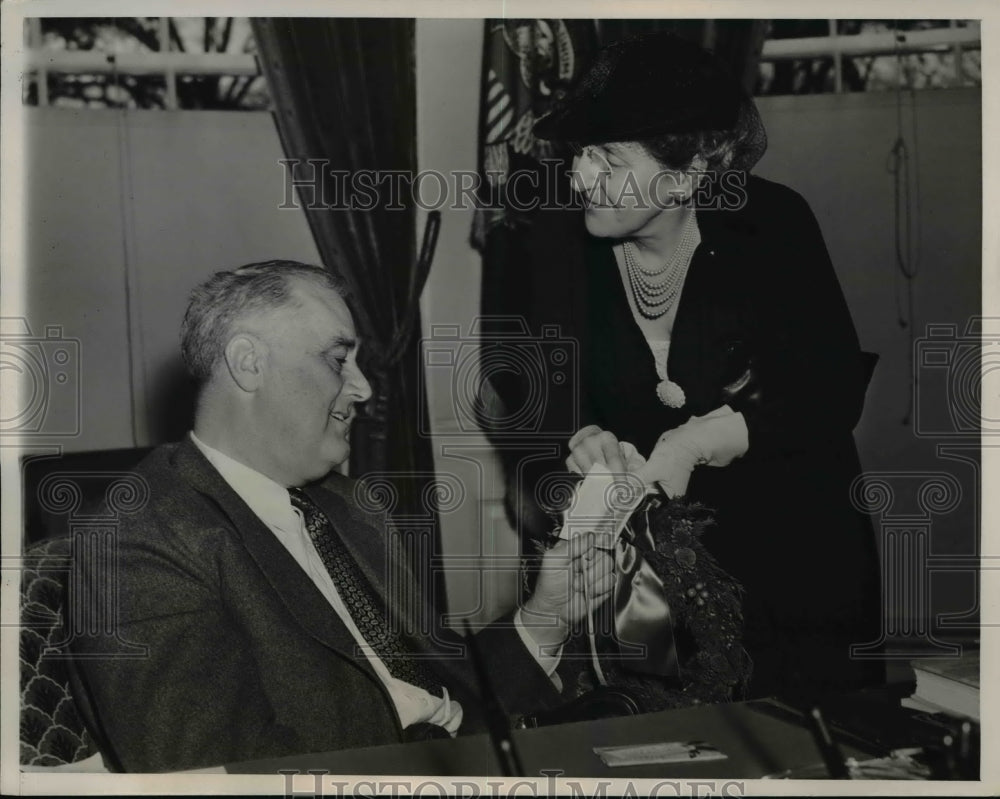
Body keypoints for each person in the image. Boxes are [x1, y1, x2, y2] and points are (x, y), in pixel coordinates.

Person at [68, 260, 614, 772]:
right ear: (248, 362)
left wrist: (547, 617)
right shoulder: (138, 541)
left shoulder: (350, 507)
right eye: (337, 360)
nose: (364, 388)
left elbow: (440, 686)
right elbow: (221, 774)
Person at [525, 32, 884, 700]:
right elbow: (543, 388)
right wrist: (580, 435)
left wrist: (696, 439)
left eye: (607, 158)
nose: (579, 177)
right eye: (579, 155)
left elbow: (828, 391)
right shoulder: (553, 239)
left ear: (689, 168)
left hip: (797, 554)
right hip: (648, 580)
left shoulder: (771, 223)